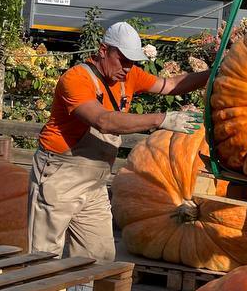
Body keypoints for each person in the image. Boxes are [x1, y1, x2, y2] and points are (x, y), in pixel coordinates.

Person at [27, 22, 208, 264]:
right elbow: (103, 121)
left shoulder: (129, 75)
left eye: (132, 62)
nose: (127, 67)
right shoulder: (77, 79)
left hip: (94, 182)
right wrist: (161, 119)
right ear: (103, 50)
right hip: (60, 175)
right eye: (122, 60)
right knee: (43, 259)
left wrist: (214, 72)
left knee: (98, 258)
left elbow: (170, 85)